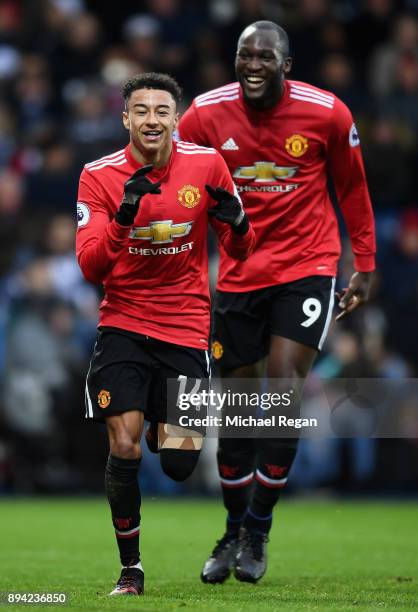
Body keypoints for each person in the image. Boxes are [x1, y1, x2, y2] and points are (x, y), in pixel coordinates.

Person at [178, 21, 376, 583]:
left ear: (286, 64)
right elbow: (181, 183)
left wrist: (364, 263)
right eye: (245, 55)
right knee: (238, 415)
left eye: (265, 56)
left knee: (282, 391)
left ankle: (259, 531)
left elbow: (353, 188)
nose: (254, 64)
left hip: (307, 266)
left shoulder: (327, 113)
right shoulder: (204, 114)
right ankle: (233, 528)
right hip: (240, 274)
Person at [76, 72, 255, 596]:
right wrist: (124, 217)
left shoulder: (207, 164)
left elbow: (241, 252)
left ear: (175, 119)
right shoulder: (98, 175)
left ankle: (162, 417)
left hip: (185, 327)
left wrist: (238, 222)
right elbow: (91, 266)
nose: (151, 120)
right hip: (124, 325)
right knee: (125, 443)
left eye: (161, 111)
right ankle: (131, 571)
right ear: (125, 118)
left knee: (177, 464)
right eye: (141, 111)